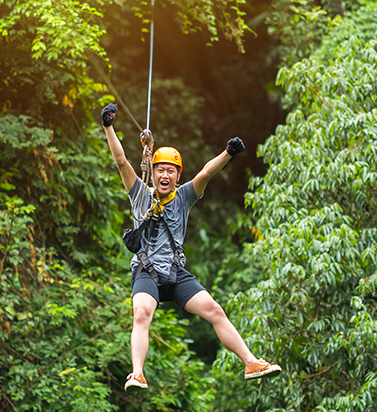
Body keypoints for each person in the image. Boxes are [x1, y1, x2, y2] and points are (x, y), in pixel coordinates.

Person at [101, 103, 281, 391]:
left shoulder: (184, 196)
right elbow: (121, 161)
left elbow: (206, 173)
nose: (164, 175)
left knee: (214, 309)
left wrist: (228, 153)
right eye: (160, 170)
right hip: (146, 272)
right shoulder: (138, 193)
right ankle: (137, 373)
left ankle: (250, 363)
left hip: (174, 273)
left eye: (170, 171)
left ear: (177, 175)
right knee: (141, 313)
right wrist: (108, 127)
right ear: (153, 170)